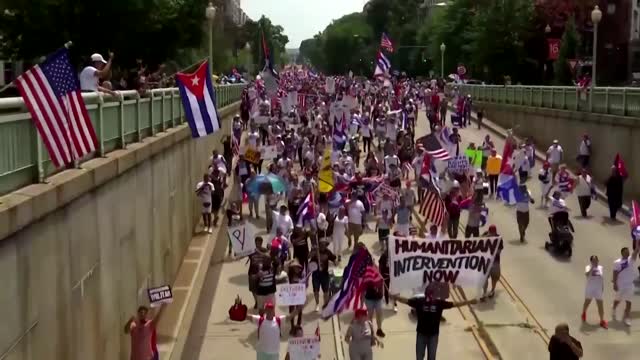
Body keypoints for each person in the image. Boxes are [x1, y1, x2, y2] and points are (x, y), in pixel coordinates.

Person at [394, 286, 477, 360]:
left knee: (431, 357)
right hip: (422, 334)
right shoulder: (420, 301)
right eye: (428, 294)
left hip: (432, 336)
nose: (429, 297)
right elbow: (405, 300)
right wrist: (394, 297)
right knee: (420, 357)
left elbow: (455, 304)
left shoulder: (438, 303)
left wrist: (469, 302)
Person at [612, 245, 639, 326]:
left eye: (628, 251)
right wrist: (615, 284)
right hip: (620, 285)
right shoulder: (617, 262)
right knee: (617, 300)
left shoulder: (631, 259)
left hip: (630, 285)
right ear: (622, 253)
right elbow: (615, 273)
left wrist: (638, 239)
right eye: (626, 252)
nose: (627, 253)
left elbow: (636, 250)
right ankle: (613, 308)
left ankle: (626, 317)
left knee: (629, 302)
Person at [309, 240, 337, 312]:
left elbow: (333, 258)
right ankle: (317, 304)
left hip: (325, 274)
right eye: (321, 245)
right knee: (316, 291)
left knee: (326, 291)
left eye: (324, 245)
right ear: (319, 245)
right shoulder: (315, 251)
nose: (323, 246)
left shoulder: (327, 251)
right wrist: (313, 252)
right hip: (316, 274)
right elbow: (308, 257)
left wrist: (335, 263)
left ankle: (325, 305)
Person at [581, 255, 607, 328]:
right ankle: (584, 312)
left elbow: (601, 278)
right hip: (590, 288)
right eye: (593, 260)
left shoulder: (600, 267)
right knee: (587, 303)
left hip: (598, 289)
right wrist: (592, 267)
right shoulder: (588, 267)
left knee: (600, 305)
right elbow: (587, 274)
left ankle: (602, 320)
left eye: (596, 260)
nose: (595, 261)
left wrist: (602, 287)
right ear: (591, 261)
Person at [481, 225, 503, 300]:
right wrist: (485, 237)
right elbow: (478, 242)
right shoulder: (485, 236)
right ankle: (484, 293)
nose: (493, 234)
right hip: (486, 262)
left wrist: (491, 251)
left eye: (494, 233)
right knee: (484, 278)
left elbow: (499, 251)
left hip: (495, 262)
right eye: (491, 233)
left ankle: (492, 290)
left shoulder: (499, 238)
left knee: (494, 278)